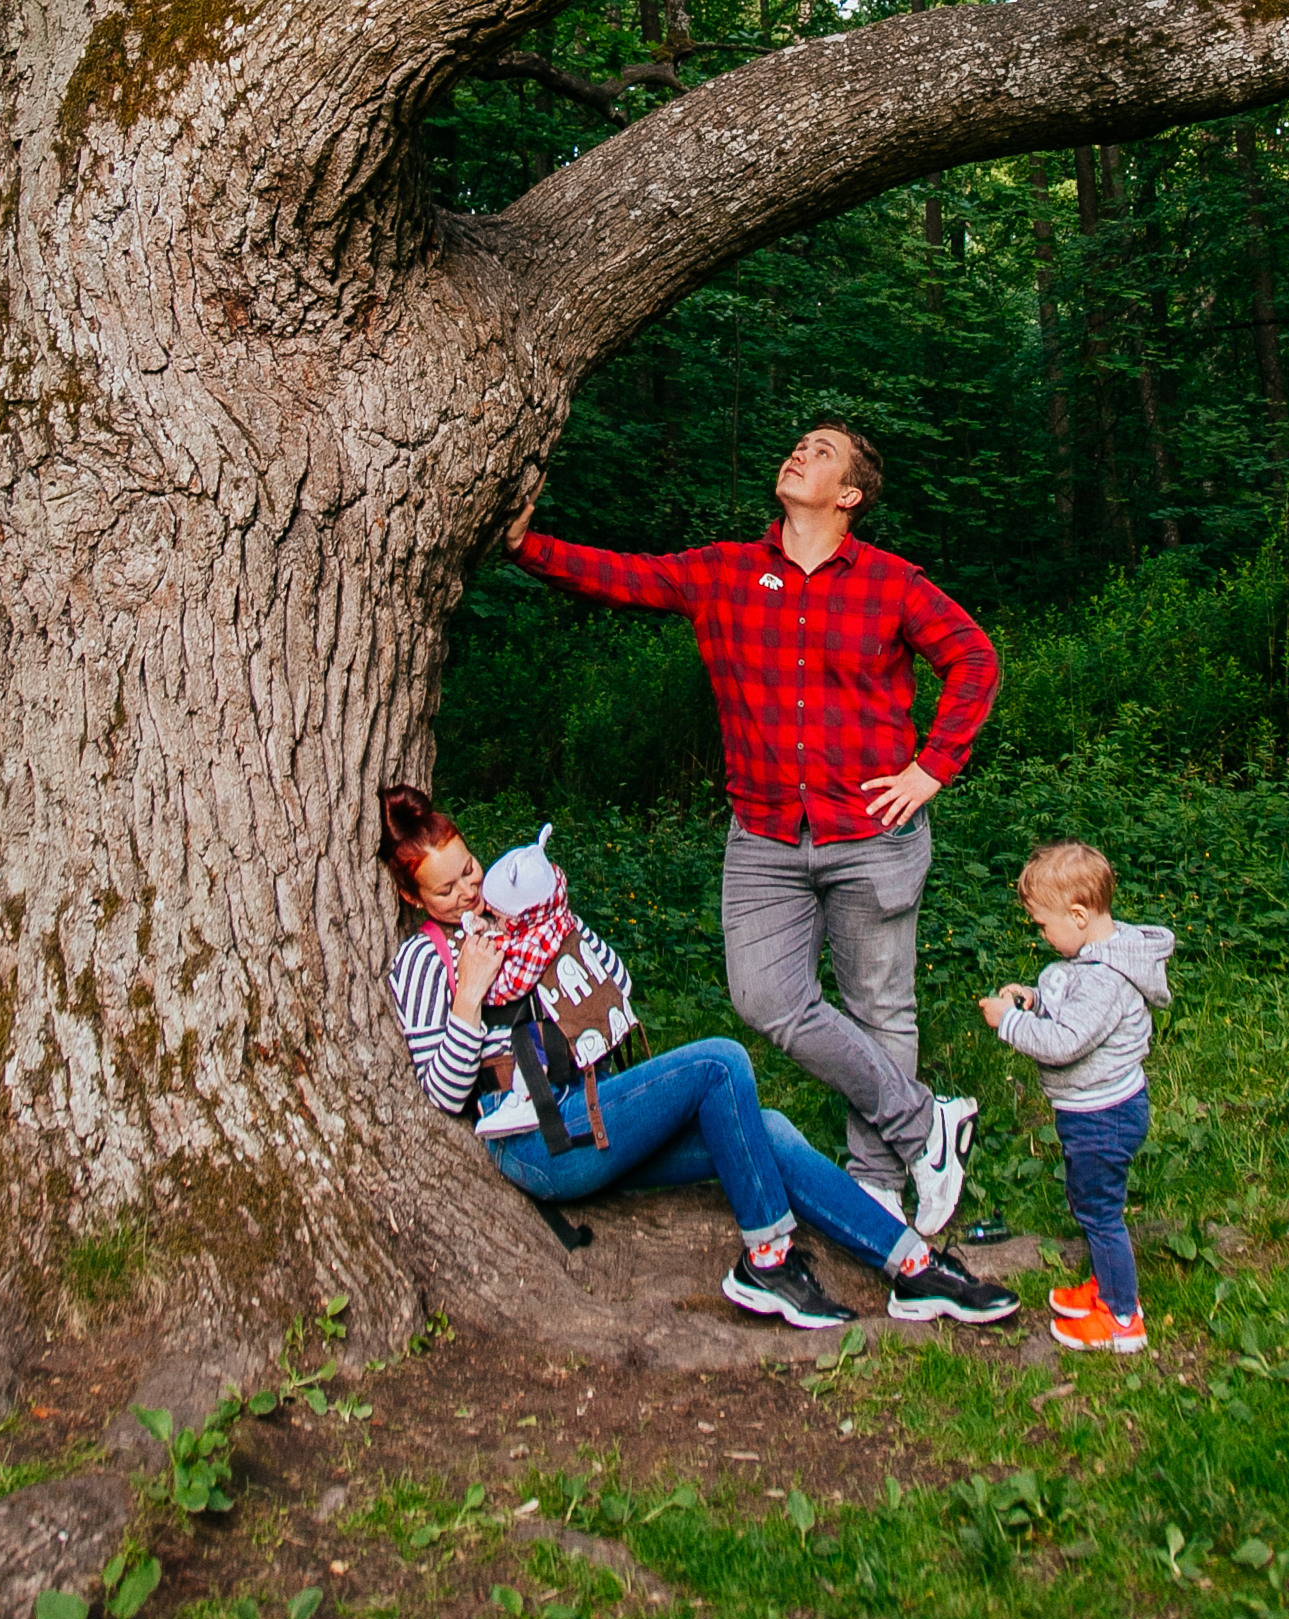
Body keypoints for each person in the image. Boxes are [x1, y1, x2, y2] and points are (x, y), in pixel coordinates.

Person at [505, 422, 998, 1235]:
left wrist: (931, 767)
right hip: (765, 836)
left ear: (851, 496)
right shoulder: (728, 571)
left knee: (880, 1006)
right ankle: (925, 1124)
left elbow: (973, 659)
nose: (800, 451)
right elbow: (623, 577)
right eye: (799, 442)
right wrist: (526, 547)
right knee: (766, 995)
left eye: (824, 450)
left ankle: (876, 1183)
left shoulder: (891, 582)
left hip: (870, 829)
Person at [381, 785, 1017, 1328]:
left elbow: (619, 994)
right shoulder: (421, 962)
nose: (468, 893)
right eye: (446, 891)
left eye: (470, 871)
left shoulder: (522, 921)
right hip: (540, 1145)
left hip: (602, 1117)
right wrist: (468, 994)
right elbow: (442, 1093)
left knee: (767, 1128)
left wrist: (558, 942)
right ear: (415, 900)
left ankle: (913, 1266)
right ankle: (767, 1260)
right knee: (720, 1063)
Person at [981, 839, 1173, 1355]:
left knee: (1100, 1213)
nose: (1042, 935)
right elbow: (1077, 1014)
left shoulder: (1105, 979)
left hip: (1103, 1116)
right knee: (1090, 1203)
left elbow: (1067, 1042)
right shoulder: (1098, 963)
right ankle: (1108, 1286)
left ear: (1079, 915)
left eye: (1044, 926)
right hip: (1097, 1112)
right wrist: (1036, 999)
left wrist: (1011, 1023)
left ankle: (1121, 1317)